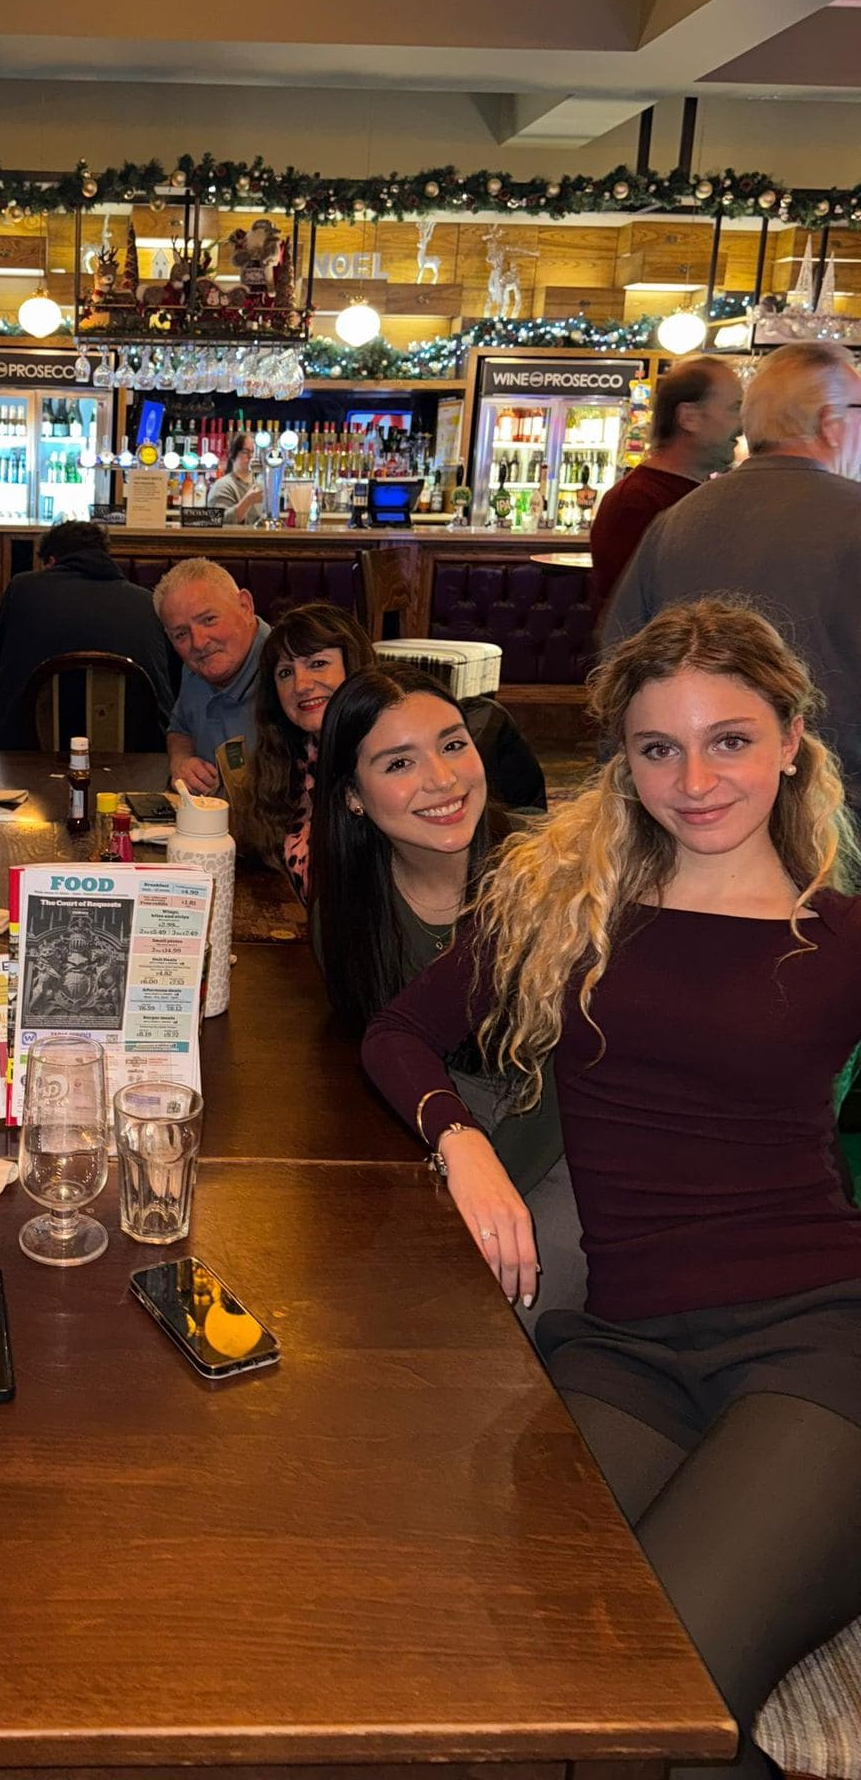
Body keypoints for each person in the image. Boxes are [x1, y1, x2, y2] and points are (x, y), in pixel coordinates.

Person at [362, 600, 861, 1780]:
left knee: (656, 1694)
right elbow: (398, 1034)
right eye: (658, 748)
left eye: (730, 739)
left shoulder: (841, 935)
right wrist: (463, 1144)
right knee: (515, 1669)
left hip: (815, 1346)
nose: (695, 780)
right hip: (625, 1347)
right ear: (623, 761)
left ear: (791, 738)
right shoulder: (565, 906)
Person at [310, 662, 582, 1324]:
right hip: (446, 1122)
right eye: (399, 763)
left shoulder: (546, 879)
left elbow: (567, 1082)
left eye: (453, 744)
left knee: (483, 1309)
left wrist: (475, 1177)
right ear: (352, 796)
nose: (442, 779)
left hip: (567, 1134)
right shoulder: (348, 909)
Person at [603, 341, 861, 796]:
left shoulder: (676, 522)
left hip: (695, 796)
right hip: (837, 804)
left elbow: (620, 670)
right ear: (831, 423)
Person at [242, 603, 546, 899]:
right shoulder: (286, 762)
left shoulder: (398, 765)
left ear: (353, 665)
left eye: (317, 664)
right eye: (285, 673)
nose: (301, 685)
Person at [0, 519, 176, 749]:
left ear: (51, 561)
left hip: (29, 752)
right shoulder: (147, 602)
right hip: (139, 756)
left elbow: (2, 666)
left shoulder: (21, 590)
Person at [589, 356, 744, 617]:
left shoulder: (699, 493)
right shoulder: (636, 502)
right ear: (689, 417)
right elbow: (633, 617)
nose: (741, 426)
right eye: (734, 409)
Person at [154, 557, 271, 794]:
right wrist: (181, 761)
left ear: (245, 606)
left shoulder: (291, 671)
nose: (198, 643)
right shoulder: (194, 669)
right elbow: (180, 729)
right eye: (181, 634)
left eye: (209, 620)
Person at [206, 433, 264, 523]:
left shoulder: (258, 486)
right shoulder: (223, 486)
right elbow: (219, 521)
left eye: (253, 452)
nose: (251, 456)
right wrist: (248, 501)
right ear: (233, 455)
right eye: (245, 452)